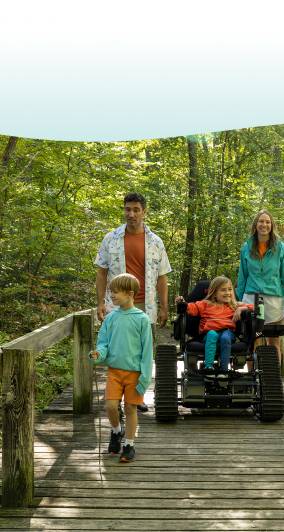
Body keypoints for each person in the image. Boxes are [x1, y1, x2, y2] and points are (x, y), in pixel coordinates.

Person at [94, 192, 171, 412]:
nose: (131, 214)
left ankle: (137, 396)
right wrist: (100, 302)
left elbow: (162, 276)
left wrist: (164, 308)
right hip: (116, 306)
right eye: (128, 209)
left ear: (144, 212)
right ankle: (114, 396)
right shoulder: (111, 238)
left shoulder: (156, 242)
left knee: (142, 352)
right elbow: (101, 272)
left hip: (145, 307)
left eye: (136, 210)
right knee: (114, 349)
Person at [89, 273, 153, 463]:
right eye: (111, 292)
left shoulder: (141, 319)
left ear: (130, 293)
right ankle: (117, 431)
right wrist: (98, 354)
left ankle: (129, 444)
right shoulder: (110, 318)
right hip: (114, 371)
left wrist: (145, 377)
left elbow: (147, 350)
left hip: (134, 372)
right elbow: (103, 344)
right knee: (110, 406)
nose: (112, 296)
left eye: (116, 292)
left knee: (130, 407)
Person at [236, 210, 284, 365]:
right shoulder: (246, 247)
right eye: (261, 221)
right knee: (252, 341)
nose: (264, 225)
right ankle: (251, 379)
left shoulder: (281, 248)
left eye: (267, 222)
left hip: (274, 300)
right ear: (256, 224)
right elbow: (242, 277)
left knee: (273, 343)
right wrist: (236, 301)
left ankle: (273, 382)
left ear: (272, 225)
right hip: (251, 299)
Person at [175, 276, 254, 375]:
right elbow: (190, 307)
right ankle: (209, 367)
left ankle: (224, 370)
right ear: (214, 293)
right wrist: (182, 303)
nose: (227, 293)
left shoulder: (235, 305)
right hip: (208, 334)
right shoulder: (204, 304)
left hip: (228, 333)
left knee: (225, 337)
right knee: (212, 334)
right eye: (223, 290)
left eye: (230, 290)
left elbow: (255, 307)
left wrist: (242, 309)